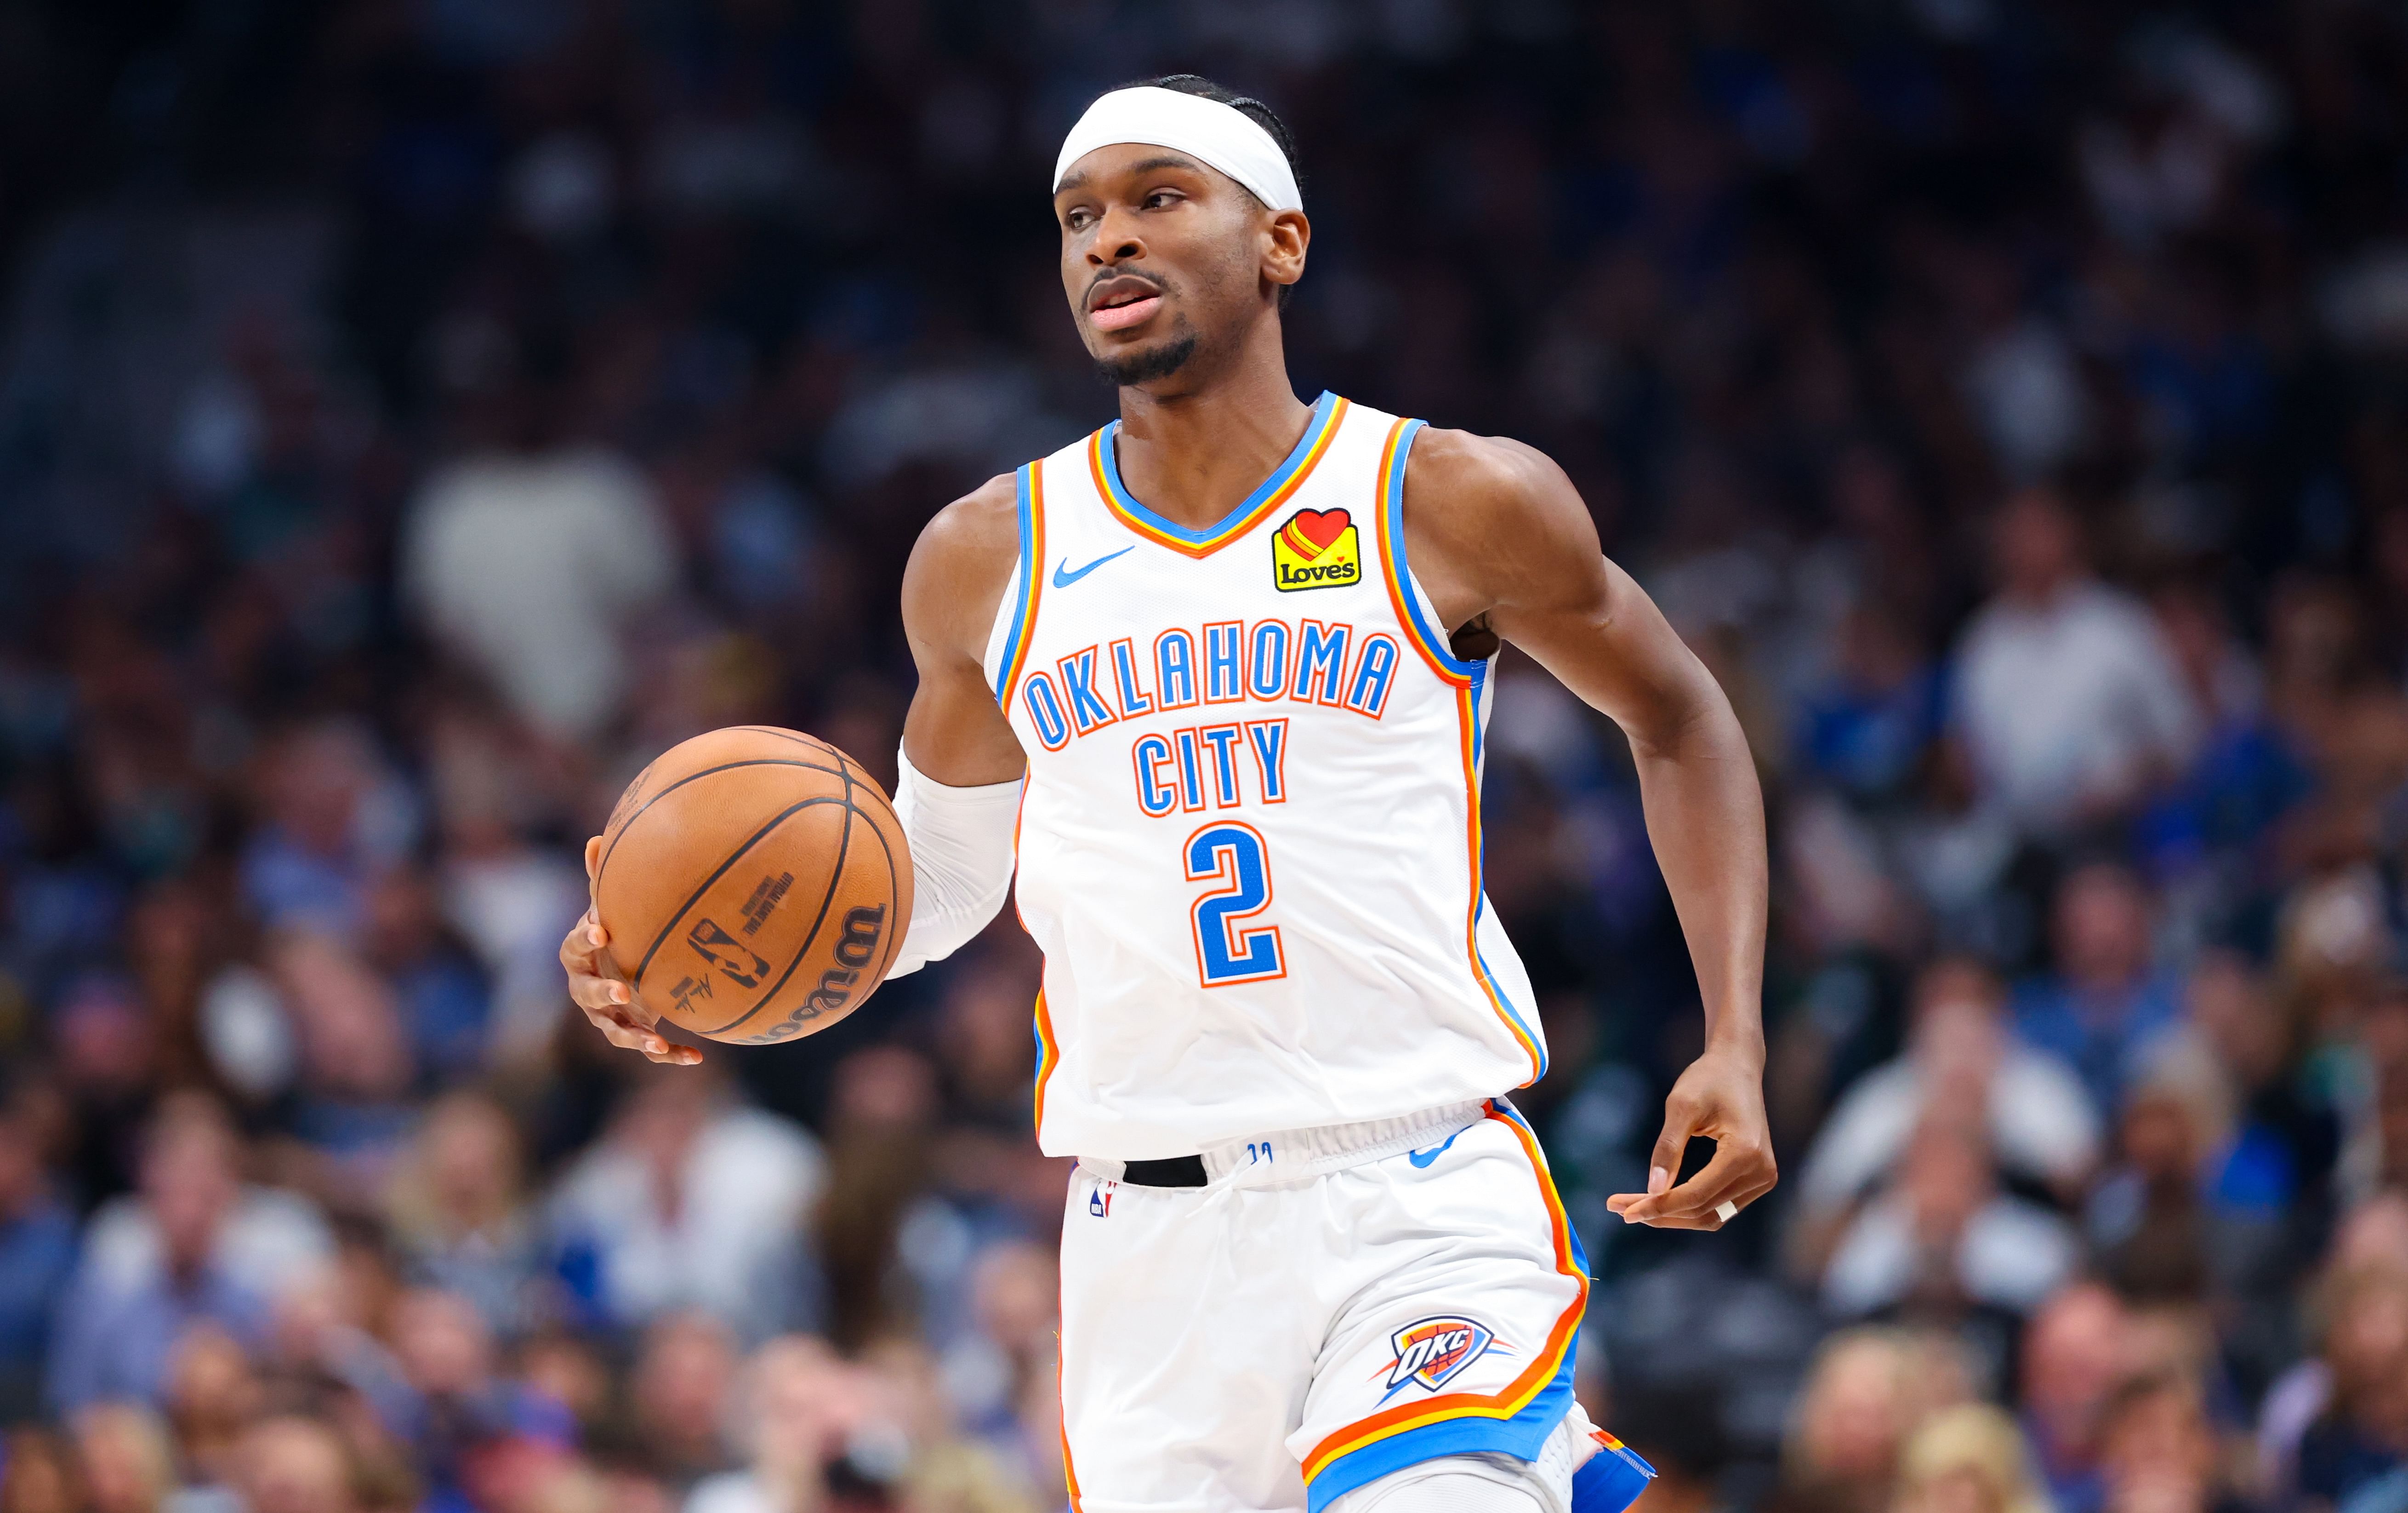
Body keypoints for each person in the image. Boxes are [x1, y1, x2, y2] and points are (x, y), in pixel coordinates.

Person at [563, 75, 1775, 1513]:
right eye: (1079, 216)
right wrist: (686, 959)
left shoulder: (1445, 496)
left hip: (1418, 1179)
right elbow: (939, 884)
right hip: (1147, 1239)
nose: (1107, 243)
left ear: (1283, 243)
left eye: (1158, 199)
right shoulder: (984, 557)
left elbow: (1681, 713)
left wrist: (1736, 1034)